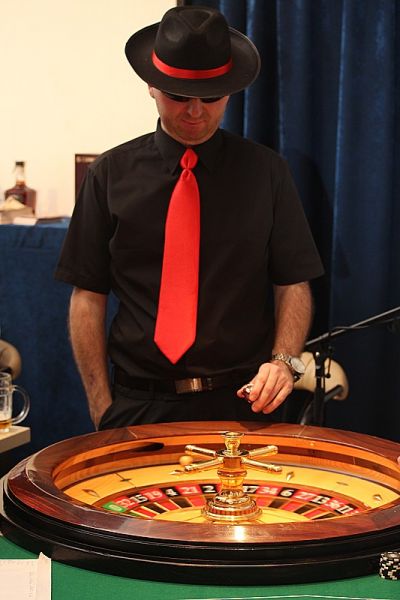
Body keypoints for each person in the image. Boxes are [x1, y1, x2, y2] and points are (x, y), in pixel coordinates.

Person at [55, 6, 324, 430]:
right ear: (152, 85)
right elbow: (87, 295)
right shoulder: (108, 175)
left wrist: (284, 362)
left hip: (245, 403)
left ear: (229, 92)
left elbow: (293, 283)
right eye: (179, 96)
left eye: (211, 98)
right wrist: (100, 404)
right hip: (138, 403)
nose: (195, 112)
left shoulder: (267, 173)